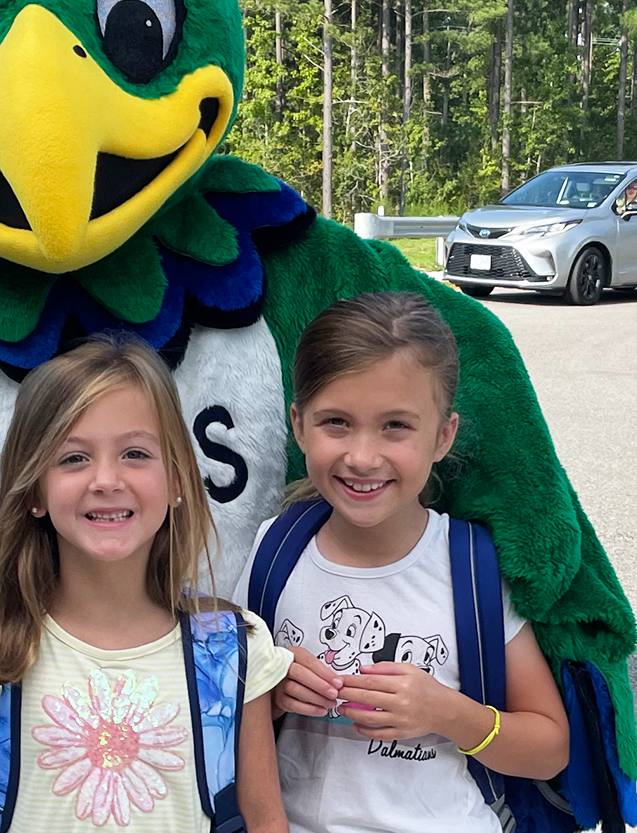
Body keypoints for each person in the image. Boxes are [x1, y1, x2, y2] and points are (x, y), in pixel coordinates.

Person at [233, 292, 570, 833]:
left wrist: (446, 712)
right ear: (298, 426)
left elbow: (550, 748)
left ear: (443, 436)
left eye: (396, 426)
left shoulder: (470, 568)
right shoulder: (275, 549)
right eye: (336, 423)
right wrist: (269, 696)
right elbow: (222, 710)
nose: (363, 456)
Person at [0, 336, 289, 832]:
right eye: (73, 458)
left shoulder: (231, 650)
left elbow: (266, 818)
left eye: (135, 453)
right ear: (34, 489)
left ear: (179, 480)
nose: (106, 479)